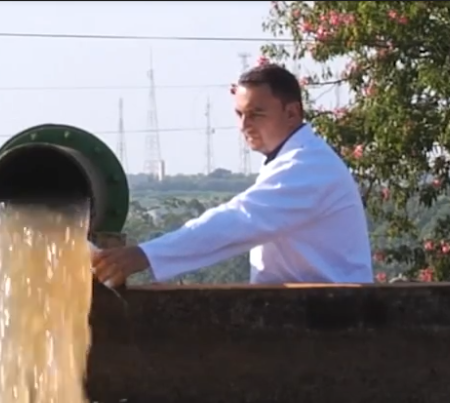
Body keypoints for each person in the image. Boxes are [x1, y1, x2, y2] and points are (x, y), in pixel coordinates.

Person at [92, 63, 374, 286]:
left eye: (256, 114)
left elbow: (238, 220)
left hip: (333, 322)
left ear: (292, 113)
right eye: (239, 114)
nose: (244, 125)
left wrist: (146, 255)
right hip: (308, 316)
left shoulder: (307, 166)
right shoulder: (291, 159)